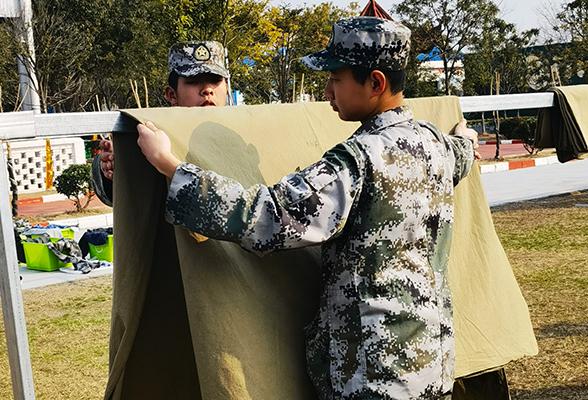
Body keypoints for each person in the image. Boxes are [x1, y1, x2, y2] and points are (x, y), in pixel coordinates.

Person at [136, 17, 478, 400]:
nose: (328, 91)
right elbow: (462, 153)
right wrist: (466, 138)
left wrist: (169, 165)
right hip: (431, 363)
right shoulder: (435, 144)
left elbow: (266, 216)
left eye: (336, 78)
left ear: (376, 83)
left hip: (374, 374)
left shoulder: (357, 162)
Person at [92, 40, 230, 206]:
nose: (207, 90)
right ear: (171, 94)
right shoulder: (152, 138)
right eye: (193, 81)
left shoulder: (244, 133)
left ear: (227, 88)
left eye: (215, 80)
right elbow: (121, 199)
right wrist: (116, 164)